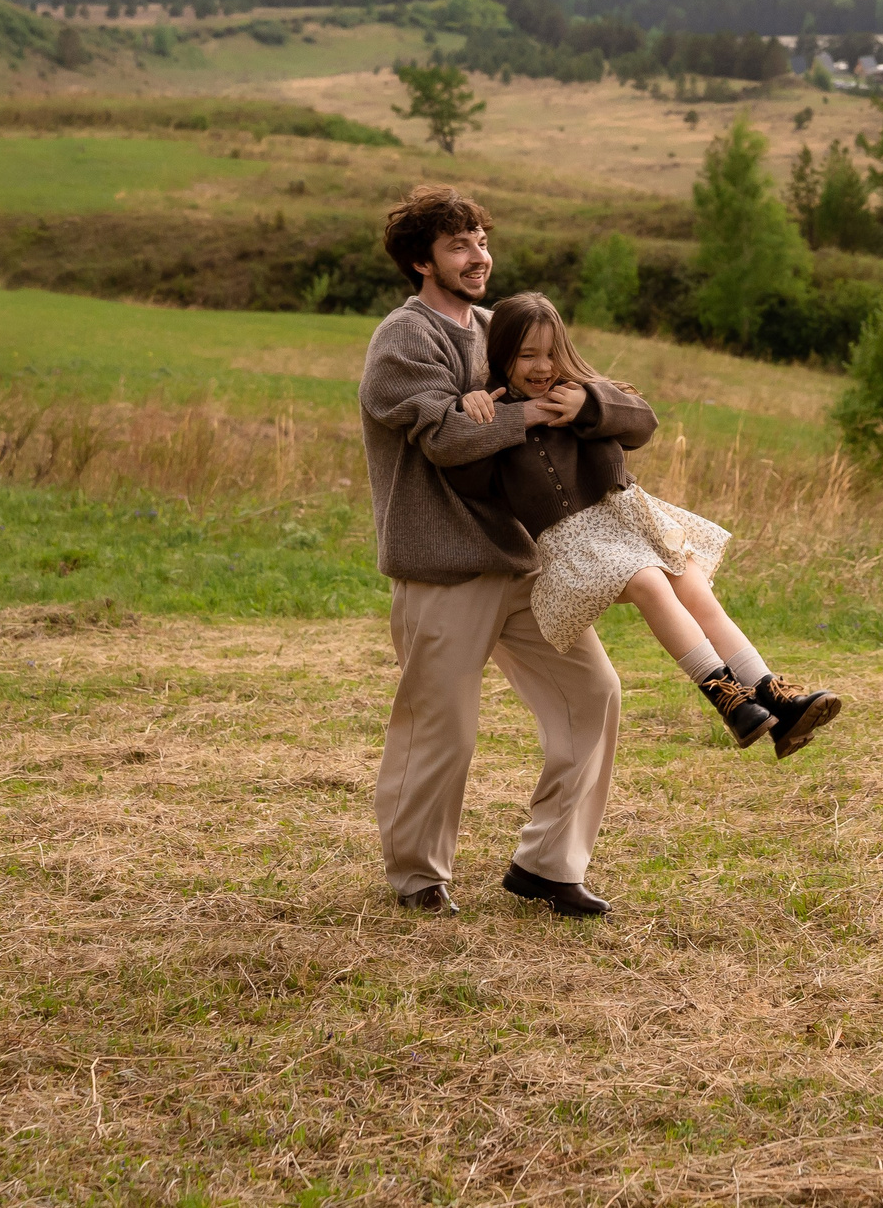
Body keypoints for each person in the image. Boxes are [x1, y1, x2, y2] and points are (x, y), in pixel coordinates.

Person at [358, 185, 621, 919]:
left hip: (520, 560)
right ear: (421, 261)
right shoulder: (406, 338)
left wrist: (580, 404)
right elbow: (444, 439)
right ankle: (417, 876)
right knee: (443, 724)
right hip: (443, 567)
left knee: (593, 694)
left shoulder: (495, 328)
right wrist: (531, 409)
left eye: (480, 240)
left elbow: (595, 393)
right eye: (458, 245)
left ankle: (548, 863)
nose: (478, 257)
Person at [445, 291, 841, 760]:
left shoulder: (582, 391)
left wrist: (589, 404)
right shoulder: (494, 408)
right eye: (527, 355)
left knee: (694, 590)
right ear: (502, 356)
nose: (543, 366)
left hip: (630, 515)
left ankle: (775, 699)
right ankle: (727, 698)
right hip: (575, 540)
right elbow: (466, 476)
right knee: (650, 583)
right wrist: (475, 414)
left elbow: (642, 423)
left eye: (552, 352)